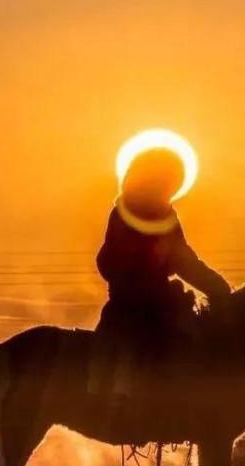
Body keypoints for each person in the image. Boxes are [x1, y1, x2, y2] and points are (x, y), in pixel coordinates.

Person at [89, 147, 231, 399]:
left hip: (131, 302)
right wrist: (217, 287)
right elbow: (183, 260)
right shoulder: (157, 213)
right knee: (192, 343)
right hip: (146, 306)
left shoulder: (123, 209)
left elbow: (107, 261)